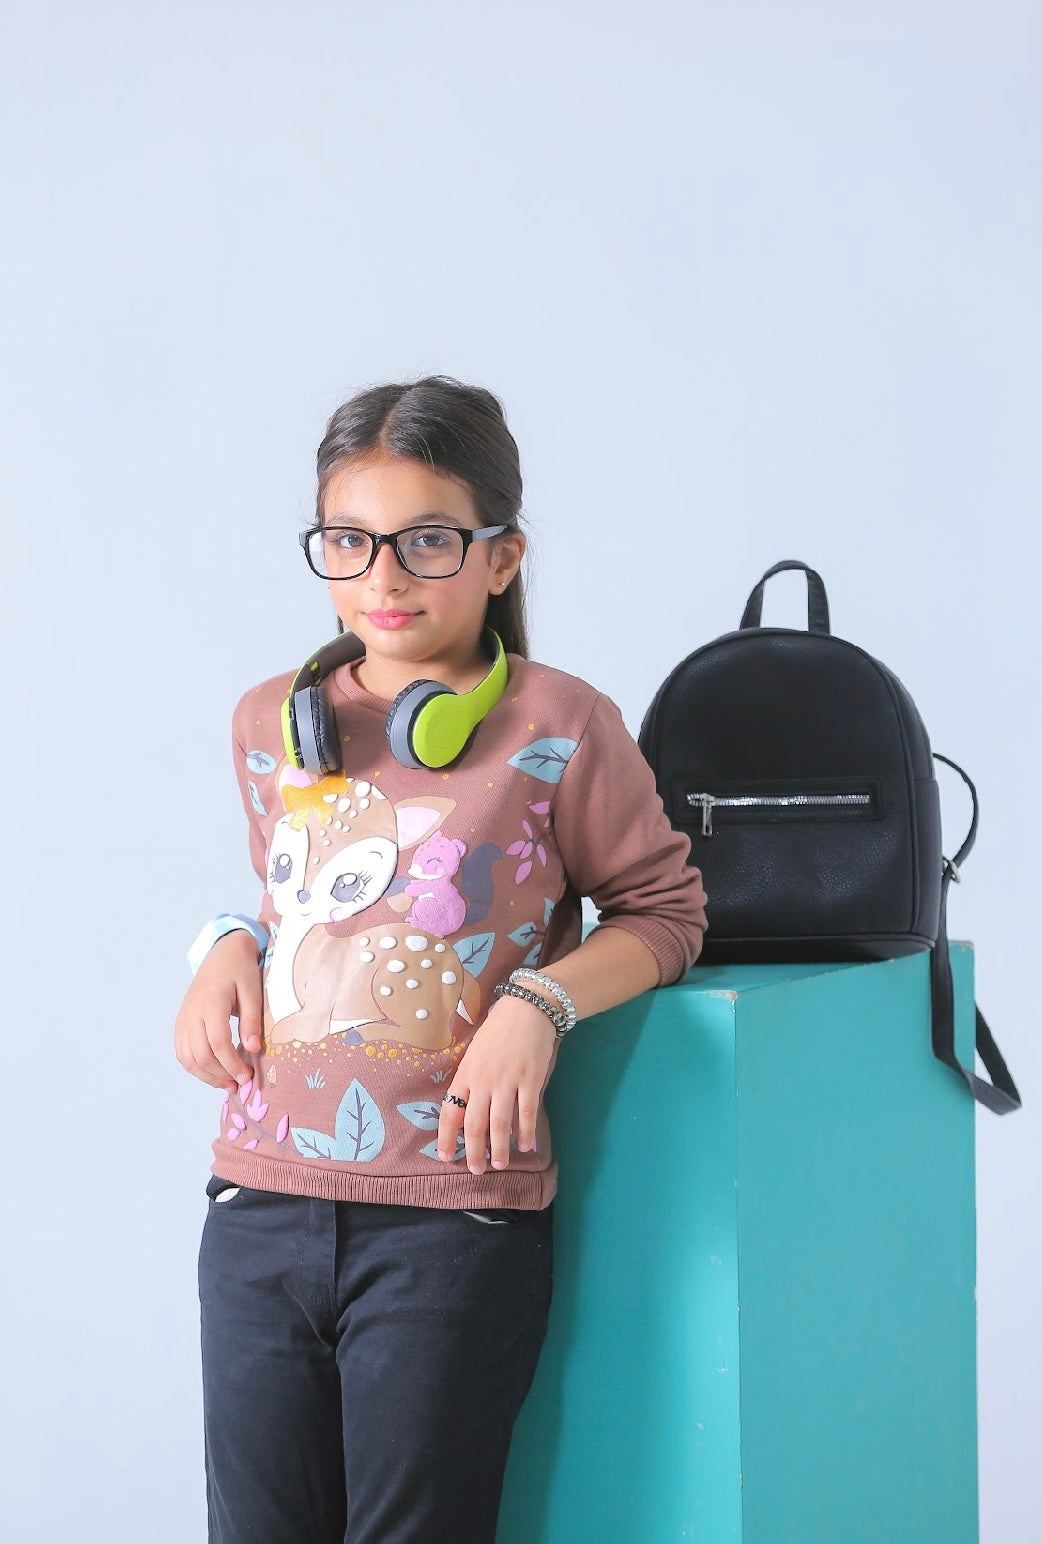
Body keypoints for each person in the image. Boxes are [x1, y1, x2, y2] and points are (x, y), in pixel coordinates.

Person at [174, 374, 709, 1544]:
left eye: (425, 540)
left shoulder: (561, 724)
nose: (383, 576)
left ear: (501, 555)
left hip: (447, 1221)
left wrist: (537, 1002)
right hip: (258, 1204)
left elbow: (665, 911)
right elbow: (299, 903)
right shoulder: (274, 722)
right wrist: (225, 944)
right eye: (349, 540)